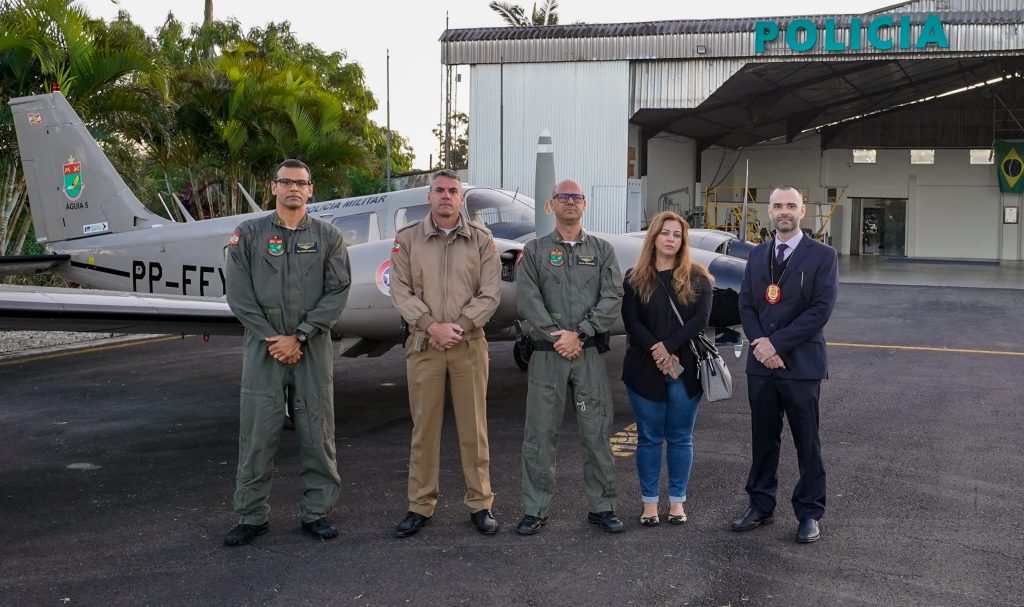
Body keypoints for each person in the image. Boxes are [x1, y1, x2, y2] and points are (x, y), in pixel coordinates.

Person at [223, 159, 352, 546]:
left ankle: (316, 512)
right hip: (264, 347)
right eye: (286, 182)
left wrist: (302, 335)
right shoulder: (248, 234)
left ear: (311, 190)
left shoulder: (329, 237)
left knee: (317, 431)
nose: (293, 188)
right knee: (258, 431)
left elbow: (337, 292)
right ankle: (251, 514)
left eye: (301, 183)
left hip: (311, 346)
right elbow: (239, 296)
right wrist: (273, 338)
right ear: (274, 187)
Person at [389, 169, 502, 538]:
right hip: (424, 346)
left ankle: (480, 503)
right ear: (429, 196)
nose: (446, 196)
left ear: (460, 197)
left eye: (453, 191)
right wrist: (430, 325)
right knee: (424, 430)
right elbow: (400, 290)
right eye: (439, 190)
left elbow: (490, 293)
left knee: (474, 429)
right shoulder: (408, 239)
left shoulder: (482, 240)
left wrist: (460, 326)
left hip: (468, 346)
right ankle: (420, 505)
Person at [515, 179, 625, 535]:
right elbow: (527, 299)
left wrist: (581, 333)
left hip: (588, 352)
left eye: (576, 197)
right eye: (563, 197)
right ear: (552, 204)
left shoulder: (603, 250)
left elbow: (612, 297)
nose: (570, 202)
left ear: (585, 204)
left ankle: (602, 506)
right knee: (540, 434)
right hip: (548, 355)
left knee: (596, 431)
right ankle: (536, 509)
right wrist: (555, 335)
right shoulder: (534, 251)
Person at [731, 184, 838, 544]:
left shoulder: (823, 256)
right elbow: (746, 304)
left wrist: (776, 344)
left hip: (801, 365)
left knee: (807, 441)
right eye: (777, 205)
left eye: (791, 205)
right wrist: (762, 345)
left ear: (802, 211)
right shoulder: (758, 255)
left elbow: (820, 310)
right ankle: (760, 504)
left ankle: (809, 512)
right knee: (763, 439)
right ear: (769, 211)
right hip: (761, 366)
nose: (784, 212)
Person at [621, 211, 713, 527]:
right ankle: (649, 504)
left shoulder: (699, 278)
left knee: (680, 437)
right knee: (648, 437)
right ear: (654, 238)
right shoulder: (634, 278)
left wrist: (668, 346)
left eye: (677, 234)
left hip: (685, 369)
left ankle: (676, 503)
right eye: (665, 233)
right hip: (643, 370)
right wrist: (655, 349)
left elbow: (700, 321)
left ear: (683, 241)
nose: (671, 239)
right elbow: (631, 322)